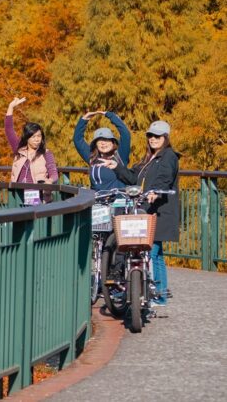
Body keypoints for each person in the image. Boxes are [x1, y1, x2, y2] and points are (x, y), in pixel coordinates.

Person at [108, 120, 180, 306]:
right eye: (150, 136)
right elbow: (132, 178)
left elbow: (166, 176)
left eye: (157, 136)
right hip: (146, 211)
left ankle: (158, 295)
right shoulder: (148, 159)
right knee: (156, 254)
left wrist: (156, 191)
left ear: (166, 138)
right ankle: (156, 293)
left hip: (160, 211)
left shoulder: (169, 156)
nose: (153, 139)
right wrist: (115, 167)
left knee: (153, 252)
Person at [5, 98, 58, 198]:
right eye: (33, 137)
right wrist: (10, 107)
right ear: (27, 137)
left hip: (36, 195)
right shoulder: (19, 150)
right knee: (19, 213)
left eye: (39, 136)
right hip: (18, 195)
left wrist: (49, 181)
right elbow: (9, 130)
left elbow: (54, 173)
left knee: (32, 213)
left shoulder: (46, 153)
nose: (37, 139)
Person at [73, 110, 131, 190]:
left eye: (106, 140)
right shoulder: (92, 158)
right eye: (99, 141)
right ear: (95, 144)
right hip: (97, 200)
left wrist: (111, 116)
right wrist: (84, 119)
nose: (103, 143)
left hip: (118, 200)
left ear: (113, 142)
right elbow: (78, 140)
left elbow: (125, 134)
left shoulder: (120, 156)